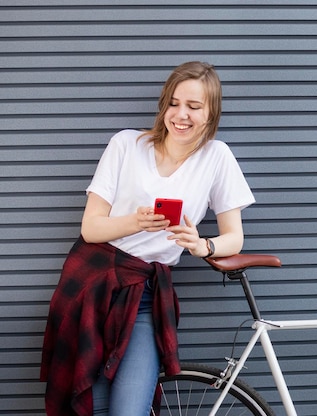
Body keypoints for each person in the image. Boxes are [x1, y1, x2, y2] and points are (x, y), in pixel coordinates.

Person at [40, 61, 255, 416]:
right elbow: (91, 228)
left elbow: (234, 238)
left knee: (129, 410)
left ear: (211, 111)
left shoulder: (217, 157)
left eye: (194, 106)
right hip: (93, 284)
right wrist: (136, 222)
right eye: (174, 103)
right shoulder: (126, 144)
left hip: (146, 295)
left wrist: (202, 245)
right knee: (85, 404)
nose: (180, 114)